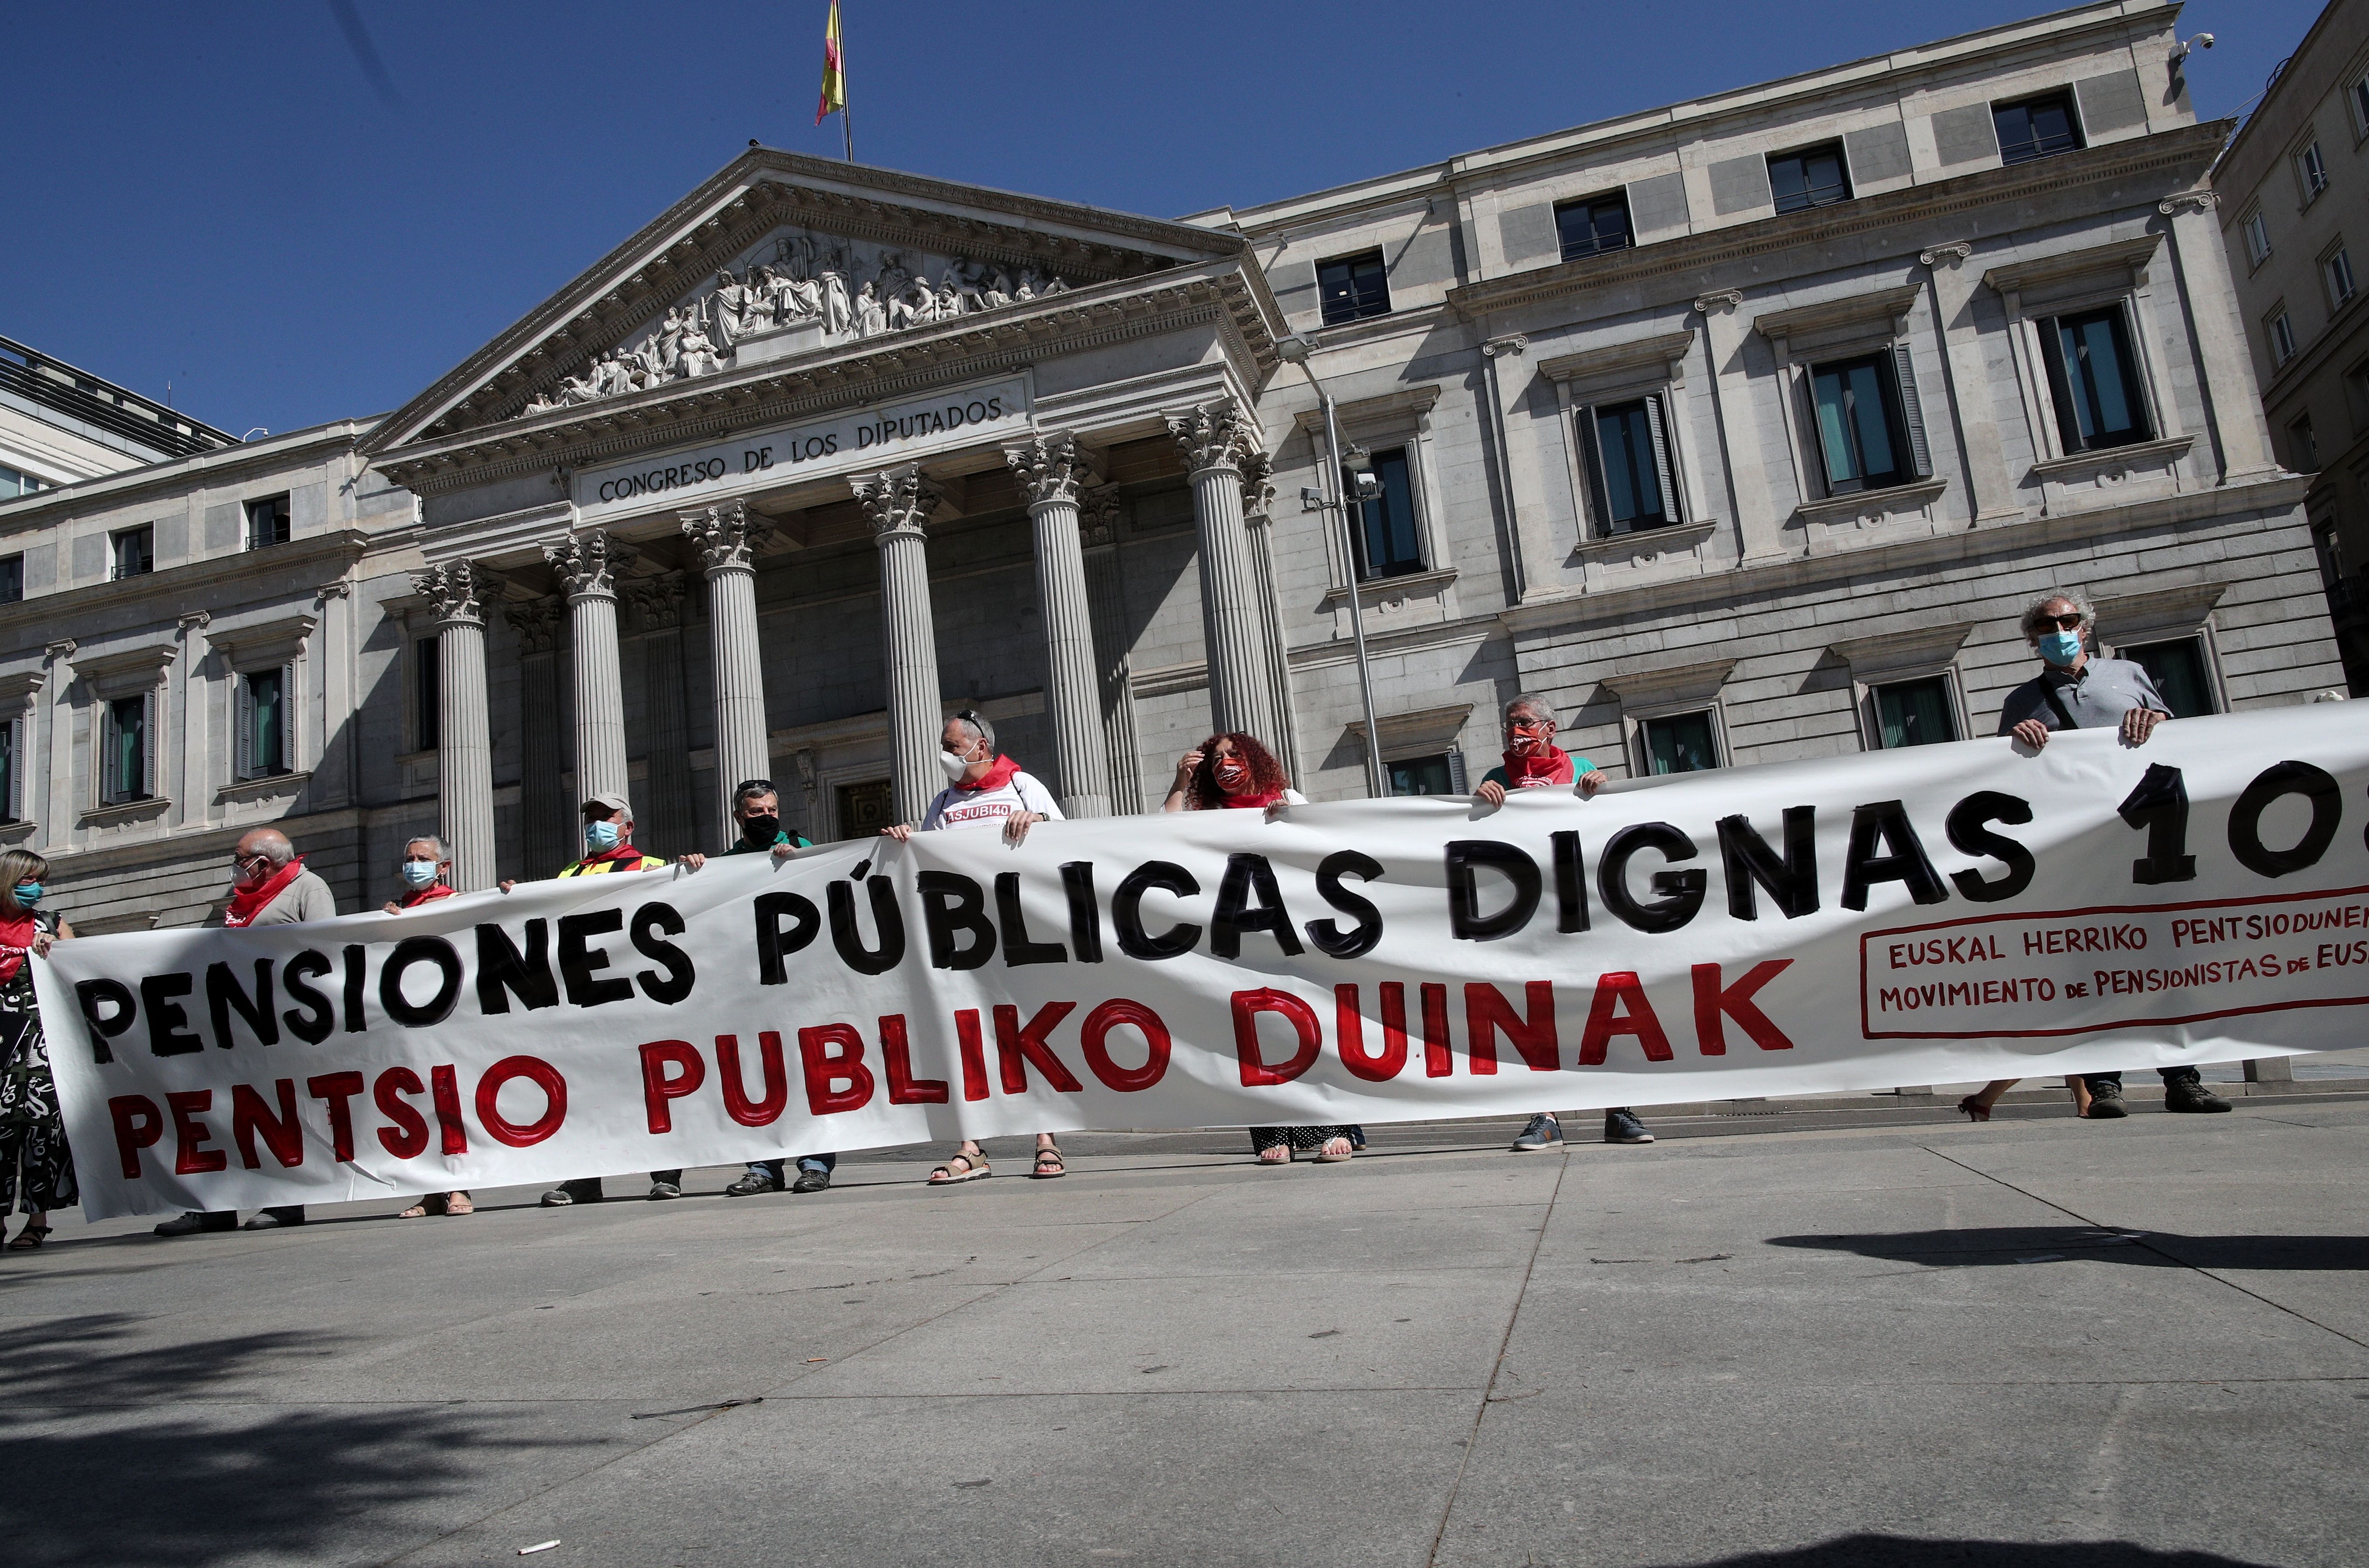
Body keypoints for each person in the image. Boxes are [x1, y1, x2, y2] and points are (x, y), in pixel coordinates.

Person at [1997, 589, 2231, 1118]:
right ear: (2032, 638)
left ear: (2084, 627)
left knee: (2162, 958)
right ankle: (2104, 1086)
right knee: (2095, 961)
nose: (2059, 628)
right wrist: (2016, 741)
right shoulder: (2019, 703)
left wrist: (2156, 722)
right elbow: (2005, 777)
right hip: (2081, 848)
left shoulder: (2127, 675)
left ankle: (2183, 1080)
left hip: (2148, 838)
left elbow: (2174, 738)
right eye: (2046, 623)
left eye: (2068, 619)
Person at [881, 712, 1067, 1182]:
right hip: (963, 940)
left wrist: (1039, 819)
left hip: (1018, 931)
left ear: (979, 747)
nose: (944, 753)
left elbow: (1069, 840)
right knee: (967, 1034)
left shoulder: (1022, 785)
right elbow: (922, 858)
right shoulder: (943, 801)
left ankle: (1046, 1138)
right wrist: (905, 839)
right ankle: (971, 1146)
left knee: (1028, 1030)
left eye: (951, 744)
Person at [1473, 695, 1655, 1152]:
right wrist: (1476, 804)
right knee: (1537, 1010)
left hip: (1584, 905)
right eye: (1508, 724)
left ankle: (1619, 1110)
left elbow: (1614, 825)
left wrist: (1605, 790)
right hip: (1528, 913)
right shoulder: (1496, 779)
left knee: (1604, 1003)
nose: (1514, 732)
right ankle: (1545, 1114)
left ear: (1548, 729)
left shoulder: (1581, 769)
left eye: (1523, 723)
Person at [1161, 733, 1349, 1164]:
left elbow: (1329, 843)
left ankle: (1328, 1128)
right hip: (1237, 938)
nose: (1225, 763)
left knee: (1308, 1027)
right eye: (1216, 760)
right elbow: (1160, 834)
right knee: (1251, 1034)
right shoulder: (1204, 815)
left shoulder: (1285, 798)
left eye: (1234, 754)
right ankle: (1270, 1132)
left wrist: (1294, 821)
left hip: (1290, 933)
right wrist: (1178, 781)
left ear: (1254, 760)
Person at [521, 795, 710, 1205]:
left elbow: (692, 903)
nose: (595, 825)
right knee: (588, 1085)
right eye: (590, 819)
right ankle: (586, 1177)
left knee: (652, 1082)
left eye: (605, 818)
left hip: (641, 989)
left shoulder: (652, 867)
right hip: (590, 992)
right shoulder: (569, 873)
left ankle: (666, 1173)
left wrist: (696, 870)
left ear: (628, 827)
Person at [157, 829, 337, 1236]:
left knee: (277, 1112)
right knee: (223, 1110)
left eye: (240, 859)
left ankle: (284, 1203)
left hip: (282, 1022)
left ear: (263, 862)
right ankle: (214, 1206)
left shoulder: (308, 888)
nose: (235, 866)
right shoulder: (242, 904)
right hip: (236, 1022)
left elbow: (327, 948)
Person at [712, 780, 840, 1198]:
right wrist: (694, 871)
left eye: (772, 810)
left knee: (808, 1070)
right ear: (739, 816)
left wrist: (800, 862)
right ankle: (762, 1167)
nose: (767, 818)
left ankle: (816, 1163)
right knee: (758, 1075)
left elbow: (831, 886)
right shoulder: (727, 862)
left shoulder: (801, 845)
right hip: (752, 985)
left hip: (800, 980)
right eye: (756, 812)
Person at [380, 837, 473, 1218]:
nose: (414, 864)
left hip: (451, 1022)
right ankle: (431, 1192)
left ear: (443, 868)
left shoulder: (459, 904)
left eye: (423, 859)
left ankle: (460, 1188)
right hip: (408, 1026)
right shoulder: (395, 910)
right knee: (420, 1106)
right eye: (409, 859)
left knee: (453, 1105)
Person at [0, 852, 75, 1249]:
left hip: (42, 1043)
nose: (38, 888)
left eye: (40, 880)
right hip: (1, 1040)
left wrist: (56, 950)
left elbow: (85, 972)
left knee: (40, 1128)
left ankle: (37, 1220)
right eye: (28, 880)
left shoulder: (51, 923)